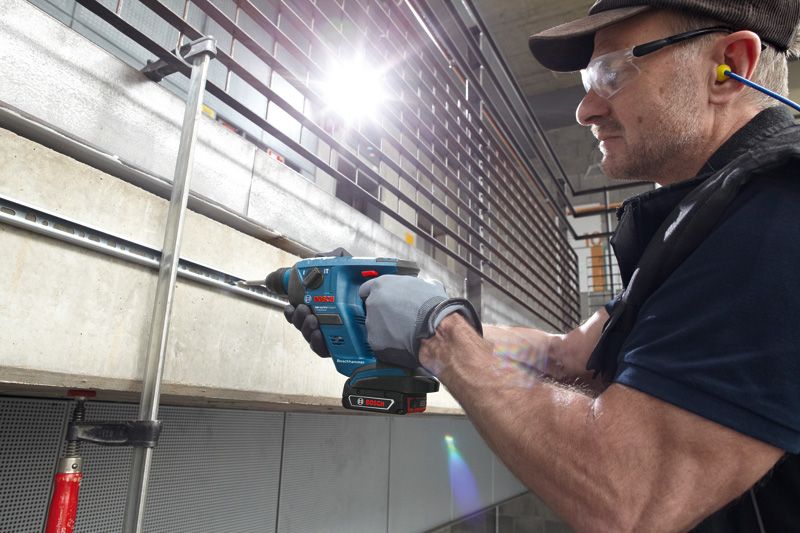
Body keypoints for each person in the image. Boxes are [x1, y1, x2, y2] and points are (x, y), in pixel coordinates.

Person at [286, 1, 800, 530]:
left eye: (612, 73)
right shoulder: (705, 225)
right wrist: (407, 325)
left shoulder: (776, 213)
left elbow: (628, 492)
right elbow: (563, 357)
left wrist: (437, 335)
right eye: (587, 79)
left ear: (729, 66)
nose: (586, 109)